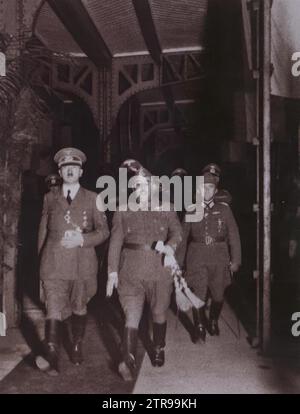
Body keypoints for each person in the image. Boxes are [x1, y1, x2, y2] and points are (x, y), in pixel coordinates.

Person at [106, 160, 182, 381]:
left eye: (143, 185)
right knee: (132, 315)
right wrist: (112, 271)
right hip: (130, 269)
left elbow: (177, 232)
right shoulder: (123, 210)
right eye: (135, 186)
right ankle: (127, 359)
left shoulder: (166, 207)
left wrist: (170, 246)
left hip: (159, 270)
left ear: (153, 186)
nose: (139, 189)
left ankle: (158, 347)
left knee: (159, 311)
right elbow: (115, 242)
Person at [37, 147, 110, 374]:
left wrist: (82, 239)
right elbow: (42, 232)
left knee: (79, 306)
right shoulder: (49, 198)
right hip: (54, 262)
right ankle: (51, 354)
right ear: (60, 170)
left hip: (82, 263)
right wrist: (40, 261)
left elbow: (104, 231)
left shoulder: (93, 198)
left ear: (81, 172)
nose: (70, 171)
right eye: (66, 167)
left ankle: (77, 344)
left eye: (74, 168)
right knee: (53, 308)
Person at [177, 171, 241, 343]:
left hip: (219, 256)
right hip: (196, 255)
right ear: (199, 189)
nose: (207, 191)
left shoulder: (224, 210)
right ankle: (198, 326)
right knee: (199, 292)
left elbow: (234, 236)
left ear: (215, 190)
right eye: (204, 187)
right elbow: (183, 239)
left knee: (218, 295)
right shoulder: (191, 209)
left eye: (210, 187)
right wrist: (179, 262)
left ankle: (212, 319)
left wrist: (235, 260)